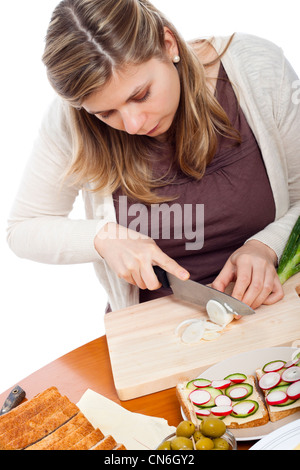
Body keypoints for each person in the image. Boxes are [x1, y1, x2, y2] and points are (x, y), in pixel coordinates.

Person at [7, 0, 300, 314]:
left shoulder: (257, 71)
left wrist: (267, 245)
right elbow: (22, 230)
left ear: (168, 44)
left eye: (141, 94)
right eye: (106, 113)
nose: (133, 125)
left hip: (272, 305)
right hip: (150, 329)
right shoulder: (71, 121)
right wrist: (102, 238)